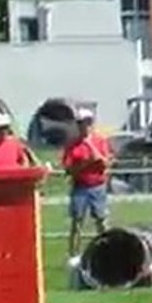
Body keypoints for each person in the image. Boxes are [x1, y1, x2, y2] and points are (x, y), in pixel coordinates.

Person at [61, 107, 112, 258]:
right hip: (80, 187)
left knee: (101, 221)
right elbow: (69, 169)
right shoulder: (72, 145)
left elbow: (104, 163)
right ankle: (74, 255)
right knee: (77, 223)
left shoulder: (100, 141)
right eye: (81, 123)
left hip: (98, 186)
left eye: (88, 123)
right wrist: (86, 164)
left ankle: (107, 252)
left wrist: (90, 145)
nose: (85, 126)